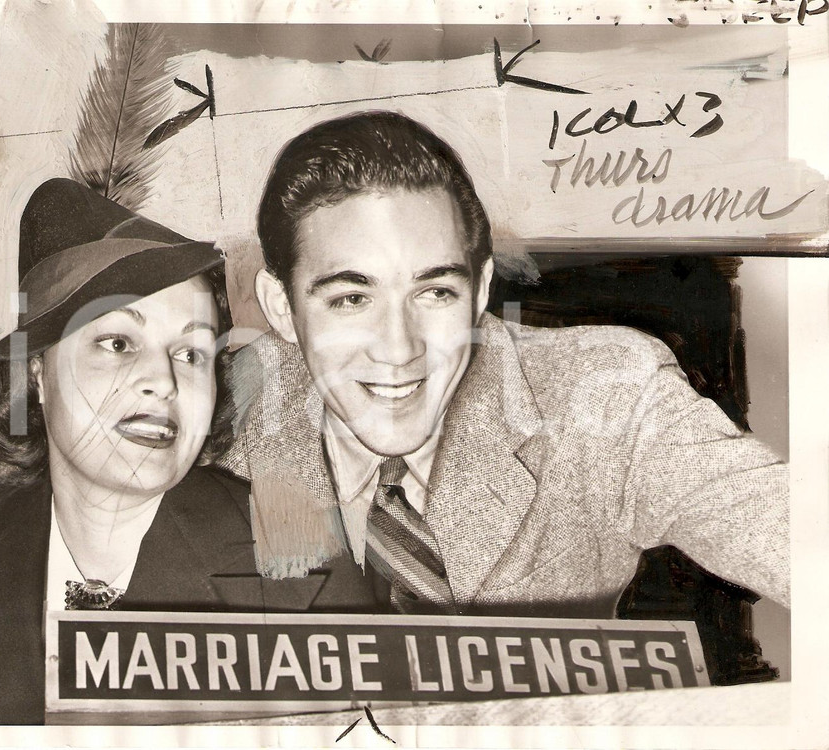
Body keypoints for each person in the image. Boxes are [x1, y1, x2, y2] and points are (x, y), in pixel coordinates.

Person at [217, 111, 789, 620]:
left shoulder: (611, 396)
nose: (398, 349)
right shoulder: (210, 412)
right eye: (350, 299)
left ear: (481, 288)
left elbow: (790, 532)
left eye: (435, 292)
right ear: (282, 309)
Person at [0, 178, 371, 725]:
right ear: (37, 371)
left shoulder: (302, 572)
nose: (163, 381)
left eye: (191, 352)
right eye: (118, 343)